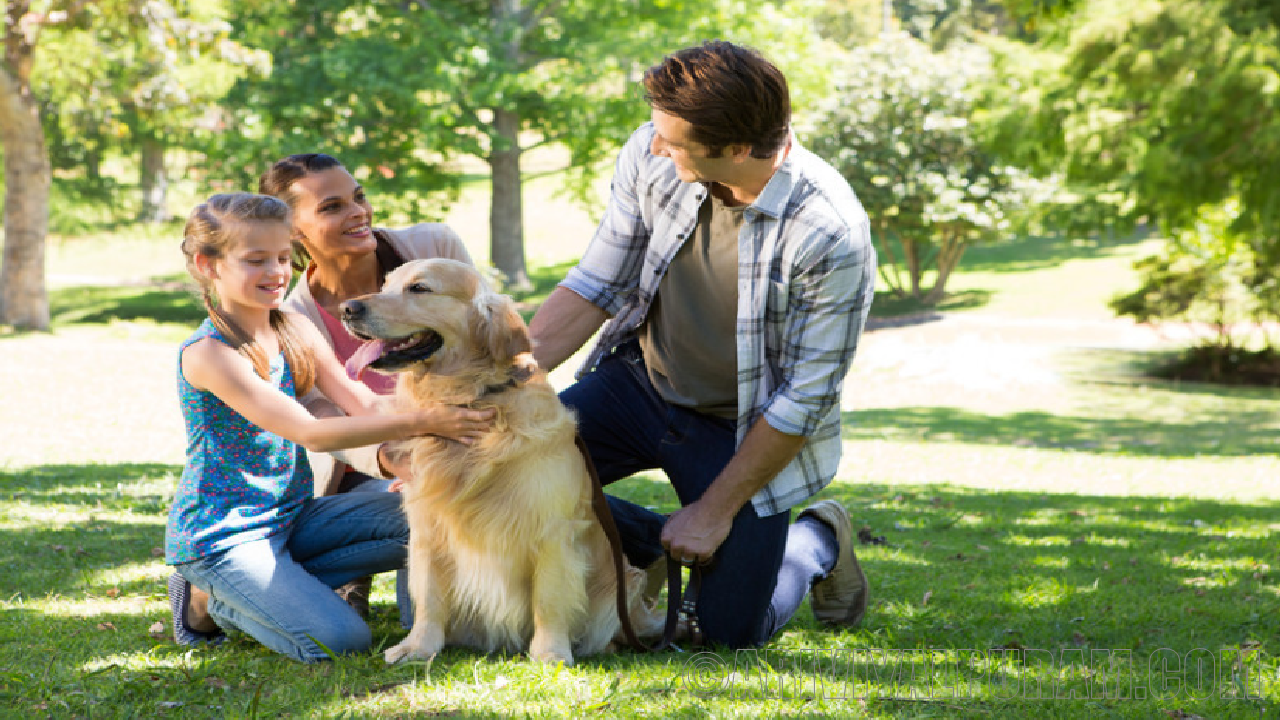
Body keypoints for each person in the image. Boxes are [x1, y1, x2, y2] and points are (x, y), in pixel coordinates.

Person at [528, 41, 877, 648]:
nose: (655, 145)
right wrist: (498, 385)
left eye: (673, 140)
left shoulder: (830, 232)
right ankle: (658, 535)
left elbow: (804, 397)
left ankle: (816, 537)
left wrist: (716, 513)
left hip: (740, 426)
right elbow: (597, 282)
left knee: (722, 632)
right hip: (640, 384)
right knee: (515, 473)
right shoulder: (651, 151)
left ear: (737, 149)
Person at [166, 193, 492, 663]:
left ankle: (269, 588)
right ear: (208, 265)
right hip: (224, 536)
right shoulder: (210, 354)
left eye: (282, 257)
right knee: (340, 641)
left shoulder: (293, 328)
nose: (276, 272)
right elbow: (311, 433)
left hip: (292, 517)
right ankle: (208, 598)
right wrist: (427, 420)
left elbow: (360, 402)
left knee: (436, 519)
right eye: (256, 260)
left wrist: (435, 430)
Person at [256, 152, 476, 618]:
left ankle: (647, 544)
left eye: (358, 198)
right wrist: (394, 460)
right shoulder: (291, 319)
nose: (358, 213)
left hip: (459, 444)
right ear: (293, 231)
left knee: (438, 618)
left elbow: (477, 342)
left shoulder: (433, 247)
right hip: (364, 474)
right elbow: (323, 417)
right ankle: (343, 570)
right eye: (332, 207)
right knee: (418, 604)